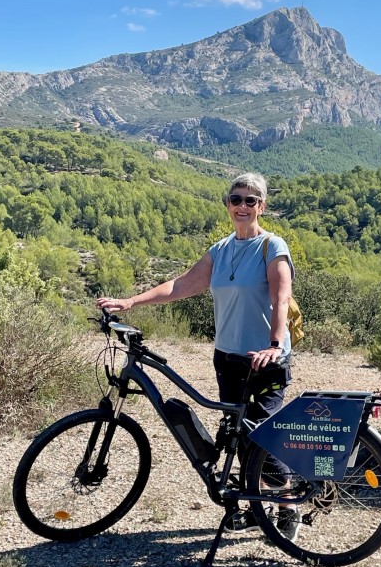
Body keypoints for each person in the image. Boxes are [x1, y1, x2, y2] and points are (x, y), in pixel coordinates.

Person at [96, 172, 300, 539]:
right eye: (235, 199)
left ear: (261, 207)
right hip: (228, 358)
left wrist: (274, 345)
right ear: (227, 204)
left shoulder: (273, 246)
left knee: (262, 437)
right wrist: (131, 301)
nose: (242, 206)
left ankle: (287, 507)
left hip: (265, 359)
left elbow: (280, 299)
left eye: (250, 201)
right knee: (236, 434)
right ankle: (256, 505)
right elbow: (181, 285)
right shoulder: (220, 250)